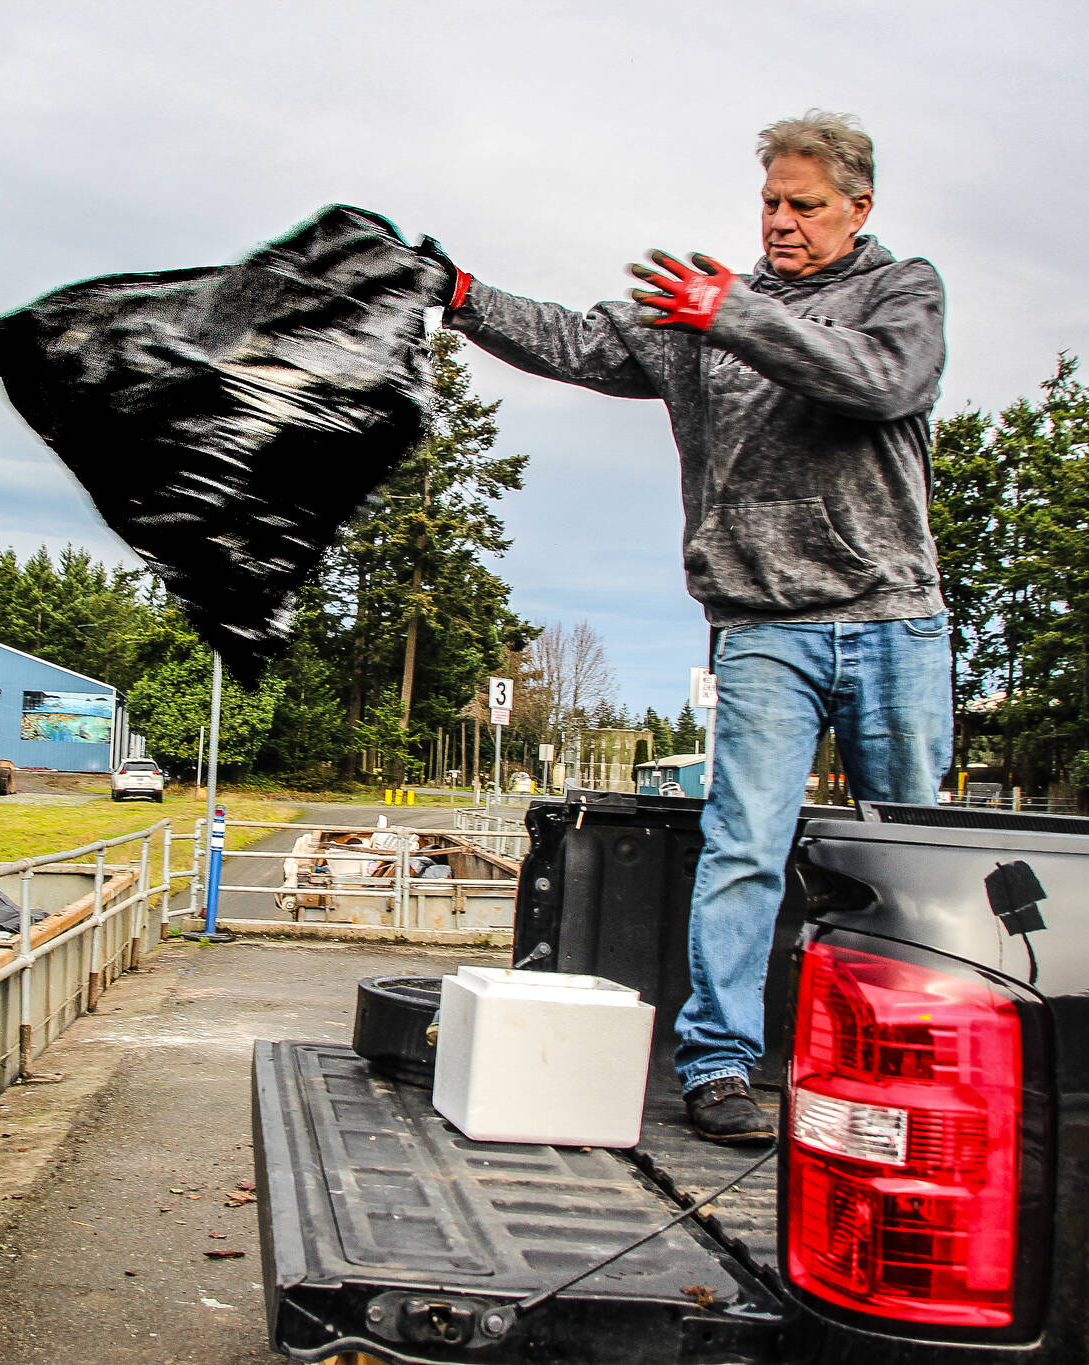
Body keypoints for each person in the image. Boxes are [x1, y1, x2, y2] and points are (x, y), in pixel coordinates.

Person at [422, 111, 950, 1144]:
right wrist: (462, 297)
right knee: (741, 848)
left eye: (803, 205)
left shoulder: (900, 292)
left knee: (905, 864)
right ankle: (717, 1068)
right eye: (769, 202)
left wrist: (734, 317)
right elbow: (580, 338)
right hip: (761, 625)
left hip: (892, 622)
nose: (782, 221)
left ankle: (901, 1065)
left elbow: (880, 381)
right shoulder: (700, 315)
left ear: (857, 207)